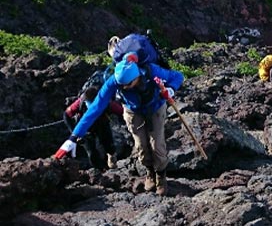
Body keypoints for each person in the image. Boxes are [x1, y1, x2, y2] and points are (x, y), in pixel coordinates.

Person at [55, 52, 184, 195]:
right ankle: (149, 173)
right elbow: (95, 108)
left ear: (136, 78)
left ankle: (161, 176)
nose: (123, 88)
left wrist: (171, 89)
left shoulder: (151, 71)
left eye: (126, 85)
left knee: (157, 145)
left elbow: (177, 76)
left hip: (155, 107)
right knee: (141, 145)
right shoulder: (114, 81)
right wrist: (73, 137)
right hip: (133, 111)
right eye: (120, 85)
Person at [62, 77, 124, 170]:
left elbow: (121, 111)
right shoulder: (80, 102)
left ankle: (111, 160)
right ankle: (99, 171)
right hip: (86, 128)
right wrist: (74, 133)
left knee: (109, 147)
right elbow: (66, 115)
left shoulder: (106, 102)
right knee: (91, 152)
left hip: (102, 125)